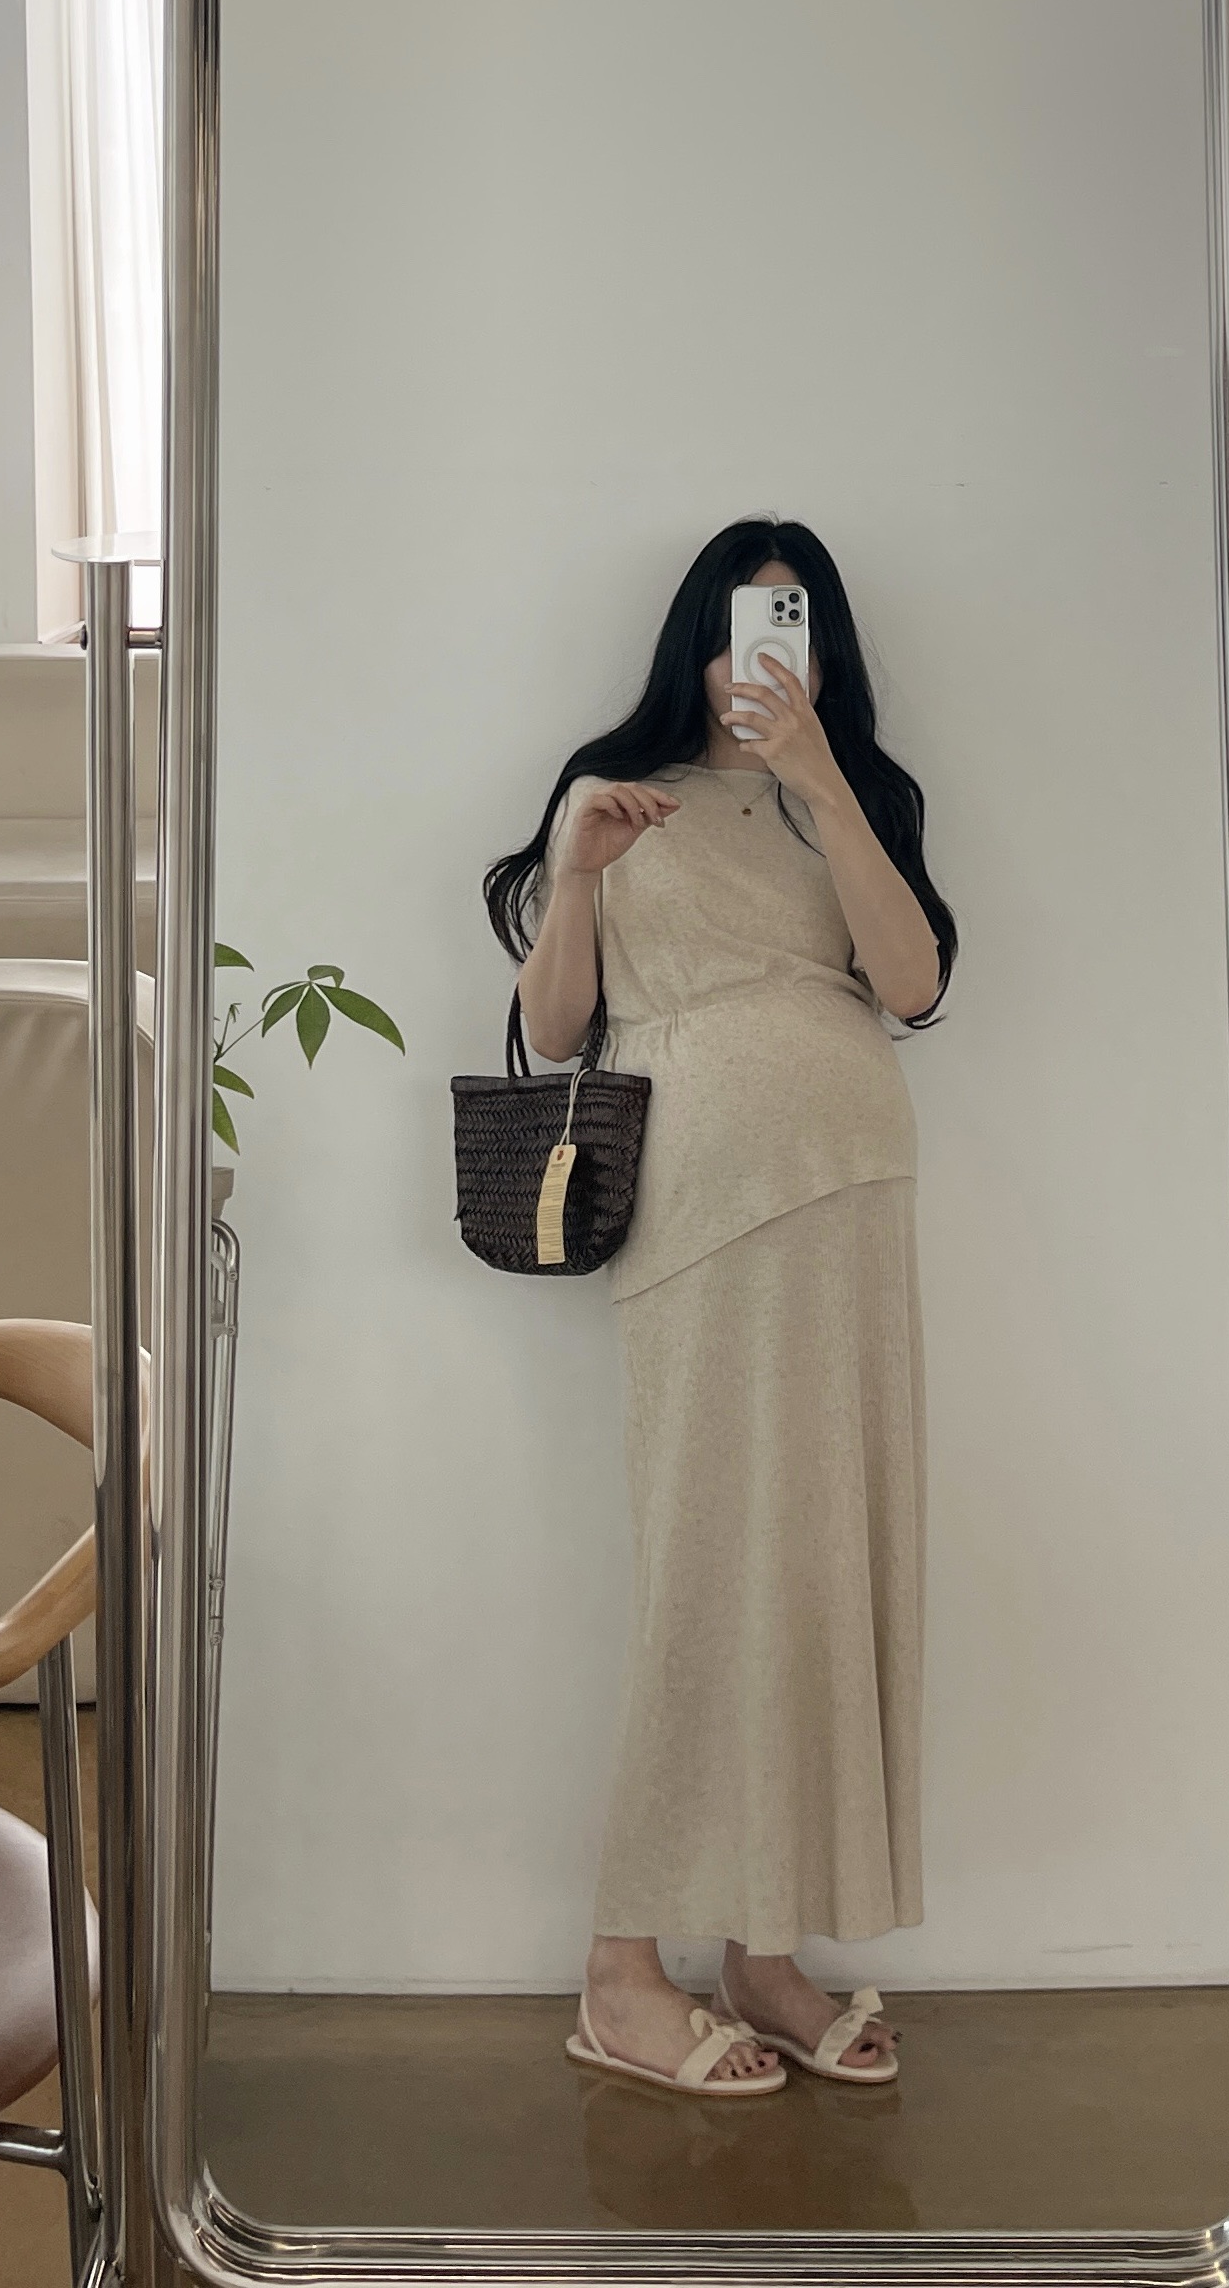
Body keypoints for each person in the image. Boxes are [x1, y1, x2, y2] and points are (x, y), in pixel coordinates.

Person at [484, 517, 955, 2098]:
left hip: (854, 1198)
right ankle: (620, 1967)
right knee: (707, 1572)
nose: (765, 649)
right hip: (697, 1211)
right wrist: (573, 875)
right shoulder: (614, 793)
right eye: (746, 620)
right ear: (695, 638)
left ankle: (763, 1948)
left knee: (826, 1569)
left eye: (793, 619)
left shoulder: (859, 793)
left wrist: (820, 779)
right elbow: (558, 1030)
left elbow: (911, 987)